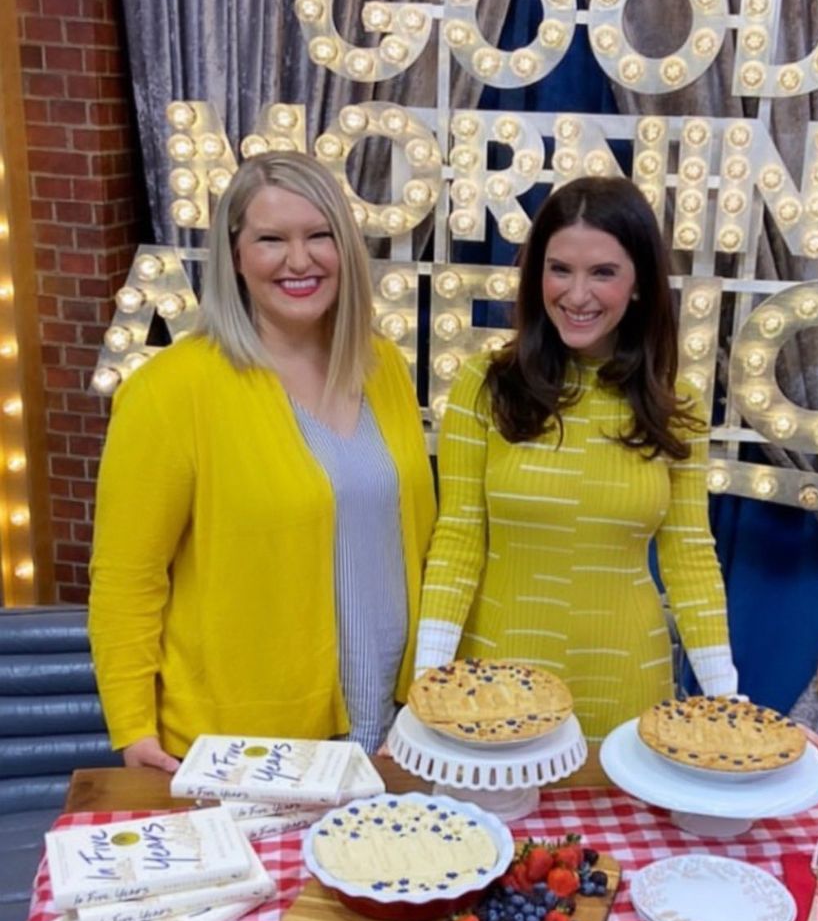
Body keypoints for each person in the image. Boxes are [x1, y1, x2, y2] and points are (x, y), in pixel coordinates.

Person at [89, 151, 436, 769]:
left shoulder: (381, 368)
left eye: (319, 235)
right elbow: (126, 579)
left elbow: (419, 543)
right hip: (244, 744)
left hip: (391, 730)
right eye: (271, 239)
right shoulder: (171, 392)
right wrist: (132, 725)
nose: (299, 260)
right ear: (236, 255)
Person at [414, 176, 737, 742]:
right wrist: (427, 682)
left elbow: (689, 556)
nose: (577, 294)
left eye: (603, 273)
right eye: (560, 269)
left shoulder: (675, 402)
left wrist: (728, 703)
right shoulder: (482, 384)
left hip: (627, 686)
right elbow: (459, 540)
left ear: (639, 284)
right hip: (495, 682)